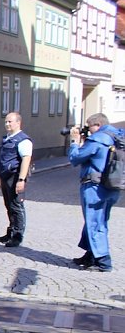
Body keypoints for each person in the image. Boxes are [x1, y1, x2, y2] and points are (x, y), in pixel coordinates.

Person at [68, 113, 120, 272]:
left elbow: (75, 158)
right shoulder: (118, 136)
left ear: (97, 125)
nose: (88, 130)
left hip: (95, 187)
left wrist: (74, 142)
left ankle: (103, 260)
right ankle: (91, 254)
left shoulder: (98, 139)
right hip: (113, 185)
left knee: (95, 222)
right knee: (98, 220)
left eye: (89, 127)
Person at [0, 112, 32, 248]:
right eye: (6, 121)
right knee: (8, 205)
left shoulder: (23, 140)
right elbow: (2, 159)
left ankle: (17, 236)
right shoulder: (7, 139)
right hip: (5, 176)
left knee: (17, 206)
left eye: (10, 122)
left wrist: (21, 179)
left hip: (15, 176)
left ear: (18, 123)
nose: (7, 124)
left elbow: (26, 160)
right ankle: (10, 232)